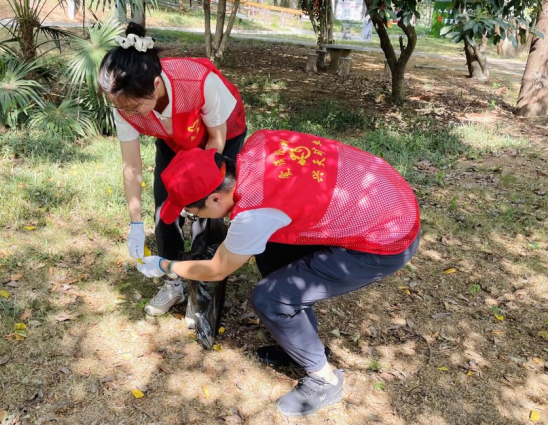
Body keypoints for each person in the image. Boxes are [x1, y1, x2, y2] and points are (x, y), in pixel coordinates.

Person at [136, 130, 420, 417]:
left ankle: (325, 380)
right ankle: (300, 342)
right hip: (387, 192)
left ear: (215, 199)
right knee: (270, 250)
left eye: (194, 213)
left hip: (387, 237)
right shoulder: (259, 145)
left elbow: (216, 269)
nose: (194, 218)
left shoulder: (254, 215)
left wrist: (165, 266)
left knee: (271, 299)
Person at [98, 23, 247, 317]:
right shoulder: (123, 102)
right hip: (174, 139)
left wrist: (196, 193)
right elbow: (131, 165)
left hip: (219, 137)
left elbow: (215, 139)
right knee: (164, 207)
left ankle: (201, 291)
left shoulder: (199, 81)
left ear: (155, 85)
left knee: (207, 211)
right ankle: (173, 282)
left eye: (133, 108)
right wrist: (135, 223)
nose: (126, 113)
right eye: (120, 107)